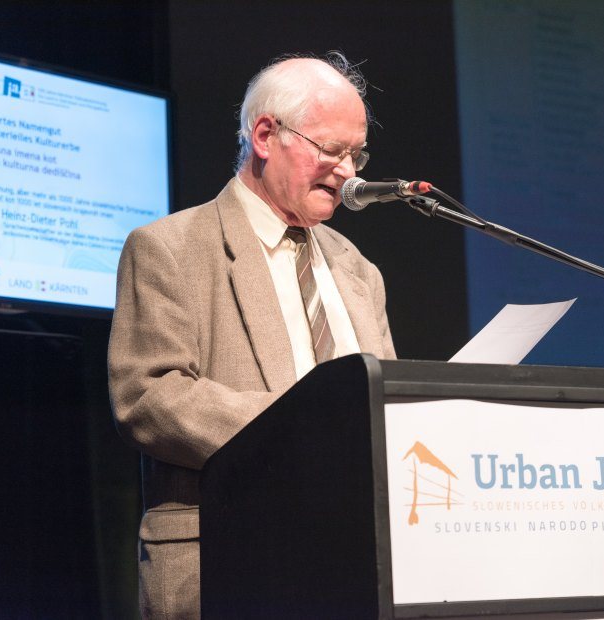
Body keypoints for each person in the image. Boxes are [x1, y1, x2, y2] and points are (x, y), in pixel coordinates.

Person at [108, 52, 396, 618]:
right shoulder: (170, 247)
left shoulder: (359, 270)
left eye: (355, 154)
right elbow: (148, 396)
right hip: (230, 559)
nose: (348, 172)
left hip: (356, 563)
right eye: (331, 151)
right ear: (266, 135)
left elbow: (379, 406)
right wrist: (303, 429)